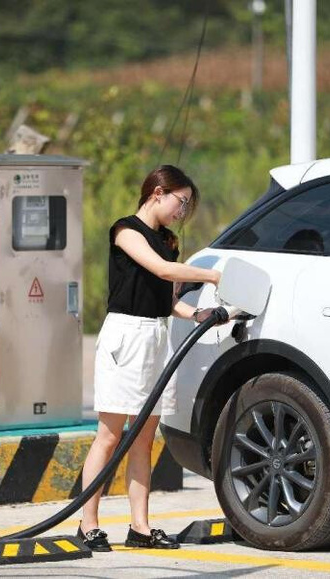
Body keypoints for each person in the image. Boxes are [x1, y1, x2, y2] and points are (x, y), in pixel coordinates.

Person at [77, 165, 221, 551]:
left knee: (143, 440)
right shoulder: (125, 231)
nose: (183, 211)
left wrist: (196, 314)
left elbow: (167, 300)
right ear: (158, 192)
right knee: (109, 437)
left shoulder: (168, 241)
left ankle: (140, 526)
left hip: (157, 337)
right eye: (181, 201)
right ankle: (87, 523)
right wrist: (215, 277)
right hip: (126, 337)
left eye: (188, 205)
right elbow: (160, 270)